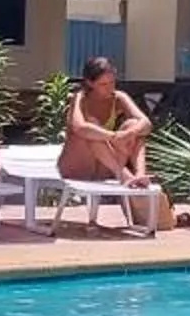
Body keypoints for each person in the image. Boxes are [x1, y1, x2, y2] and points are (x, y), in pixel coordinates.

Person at [61, 57, 172, 229]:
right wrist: (113, 136)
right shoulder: (80, 98)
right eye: (103, 85)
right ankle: (124, 175)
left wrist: (129, 132)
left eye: (112, 82)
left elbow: (146, 124)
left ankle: (139, 175)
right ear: (90, 83)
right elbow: (80, 128)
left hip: (104, 165)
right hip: (78, 166)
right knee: (91, 129)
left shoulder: (118, 97)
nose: (110, 88)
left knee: (134, 126)